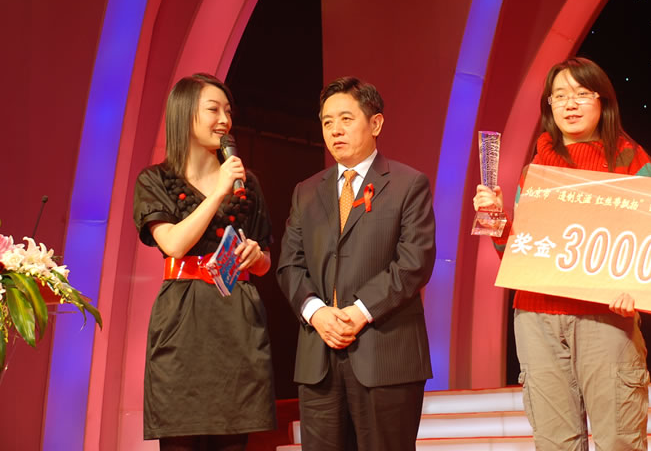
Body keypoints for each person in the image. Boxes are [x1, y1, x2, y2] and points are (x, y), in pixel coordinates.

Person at [473, 57, 651, 451]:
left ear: (603, 101)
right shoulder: (535, 169)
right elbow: (520, 255)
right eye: (559, 96)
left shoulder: (631, 160)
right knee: (555, 443)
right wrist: (496, 220)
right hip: (536, 319)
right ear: (549, 106)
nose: (570, 104)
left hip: (605, 317)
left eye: (581, 93)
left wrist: (638, 289)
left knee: (619, 440)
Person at [277, 77, 436, 451]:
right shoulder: (306, 191)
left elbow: (414, 261)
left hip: (386, 355)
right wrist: (316, 312)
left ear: (375, 123)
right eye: (327, 121)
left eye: (346, 119)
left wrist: (359, 312)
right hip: (319, 356)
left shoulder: (408, 184)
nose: (335, 130)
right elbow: (289, 265)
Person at [133, 73, 276, 450]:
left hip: (236, 320)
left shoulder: (248, 184)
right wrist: (217, 192)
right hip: (183, 321)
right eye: (213, 110)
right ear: (184, 114)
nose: (224, 120)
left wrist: (256, 257)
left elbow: (265, 263)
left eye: (228, 111)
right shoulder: (155, 180)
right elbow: (174, 244)